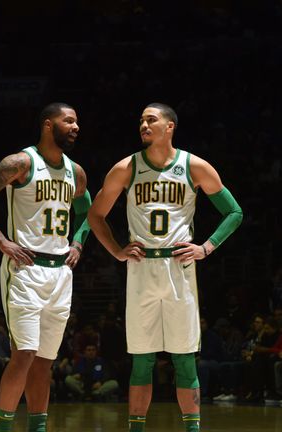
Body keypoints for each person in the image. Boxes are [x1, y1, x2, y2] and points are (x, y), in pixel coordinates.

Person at [87, 103, 243, 432]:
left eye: (151, 119)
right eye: (141, 120)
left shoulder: (194, 166)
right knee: (142, 359)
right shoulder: (126, 168)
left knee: (184, 358)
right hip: (142, 268)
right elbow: (95, 215)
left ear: (169, 126)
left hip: (179, 267)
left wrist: (206, 247)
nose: (143, 125)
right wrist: (116, 250)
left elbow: (234, 212)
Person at [0, 103, 91, 432]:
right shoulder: (21, 162)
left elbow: (89, 212)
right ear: (49, 125)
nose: (76, 127)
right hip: (26, 268)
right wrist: (1, 241)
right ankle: (4, 427)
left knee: (45, 363)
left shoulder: (75, 172)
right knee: (24, 355)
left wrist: (78, 241)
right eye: (69, 121)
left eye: (77, 122)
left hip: (61, 272)